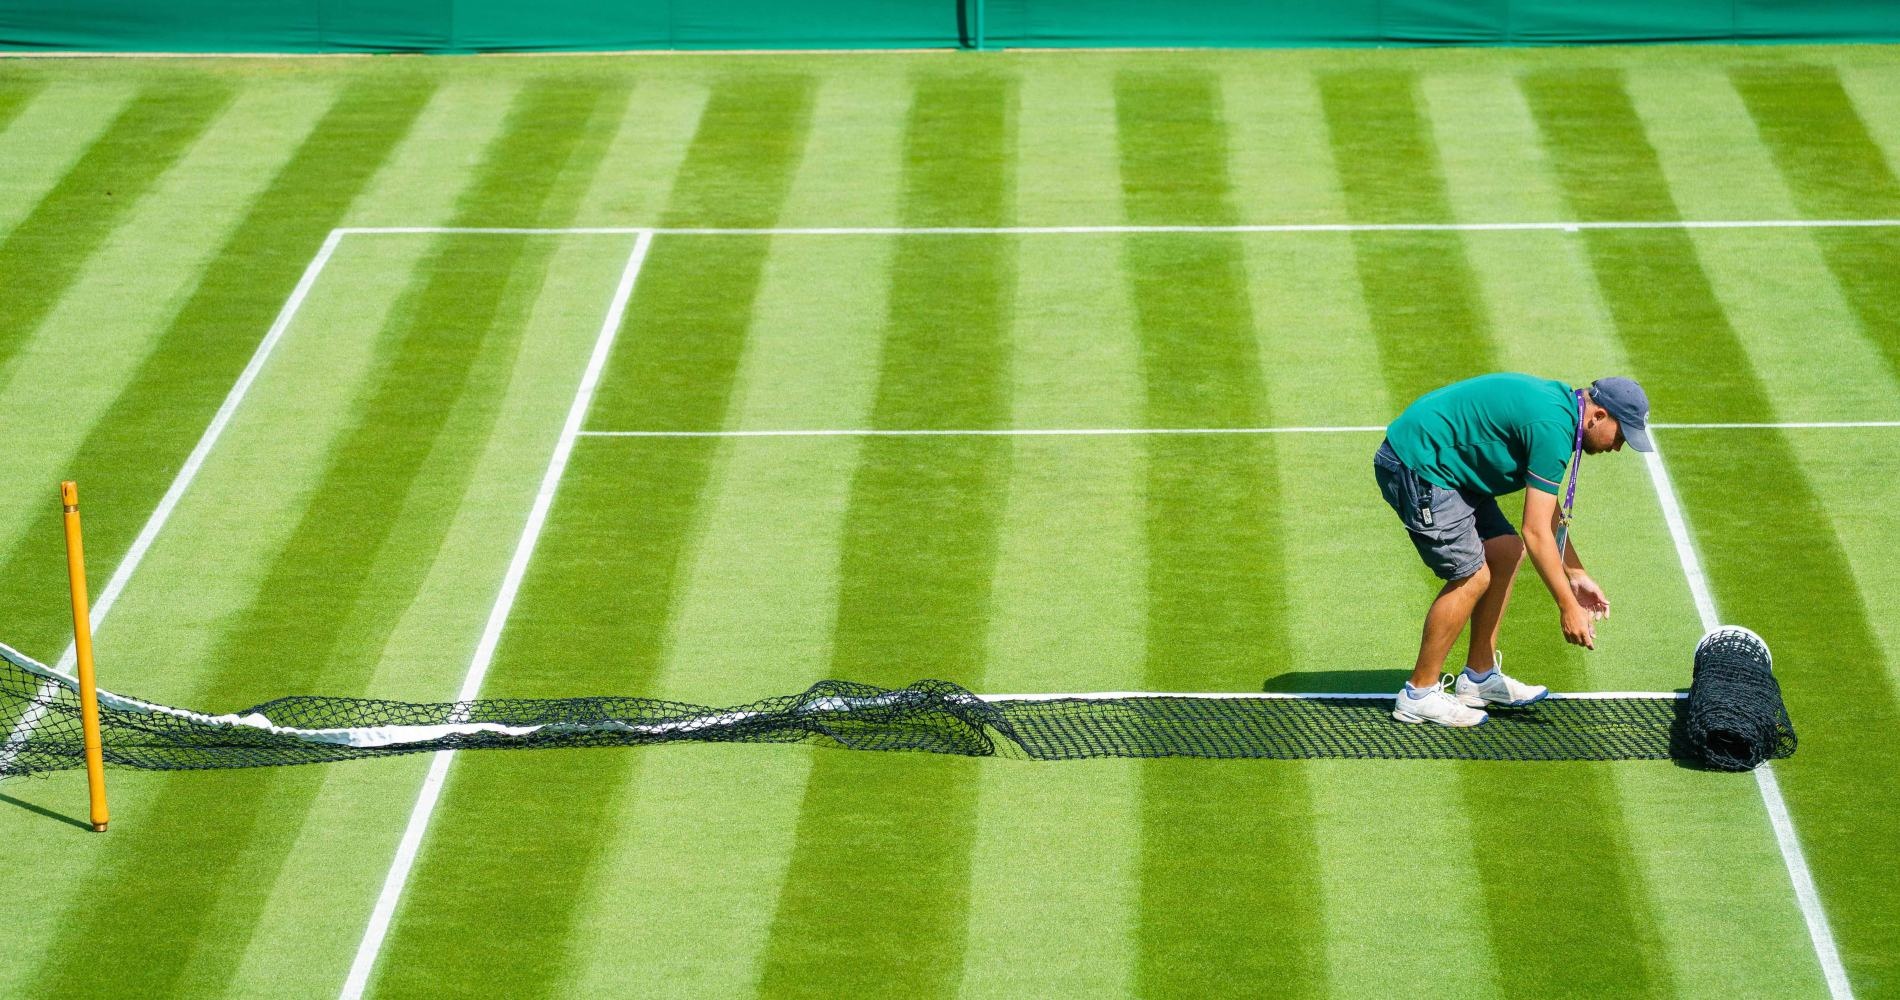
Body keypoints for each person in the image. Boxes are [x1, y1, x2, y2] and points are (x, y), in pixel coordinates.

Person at [1372, 373, 1652, 727]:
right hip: (1418, 463)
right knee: (1472, 575)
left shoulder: (1561, 416)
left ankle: (1478, 675)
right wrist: (1567, 605)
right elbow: (1536, 532)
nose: (1617, 447)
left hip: (1450, 466)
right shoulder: (1553, 429)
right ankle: (1418, 693)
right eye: (1622, 436)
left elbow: (1545, 510)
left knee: (1505, 551)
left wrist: (1576, 574)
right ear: (1598, 416)